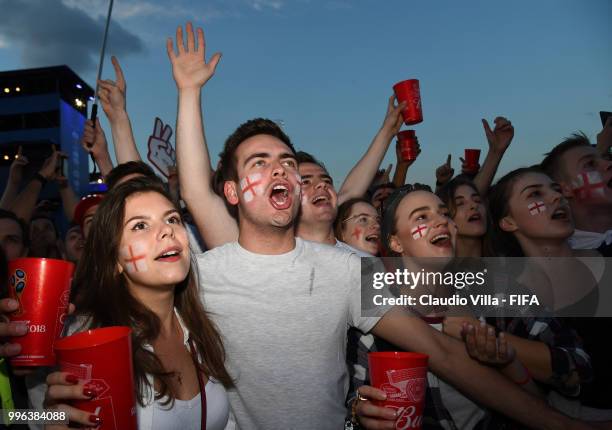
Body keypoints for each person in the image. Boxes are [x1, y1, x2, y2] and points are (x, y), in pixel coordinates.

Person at [169, 22, 590, 430]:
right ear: (231, 192)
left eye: (288, 163)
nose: (279, 170)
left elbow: (442, 354)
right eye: (260, 163)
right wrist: (189, 93)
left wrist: (563, 425)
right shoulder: (203, 275)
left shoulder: (347, 270)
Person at [42, 177, 234, 429]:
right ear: (115, 261)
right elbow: (16, 416)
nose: (167, 230)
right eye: (140, 225)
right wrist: (51, 417)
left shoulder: (203, 329)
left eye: (172, 219)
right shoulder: (90, 339)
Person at [488, 166, 612, 422]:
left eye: (556, 190)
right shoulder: (509, 303)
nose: (556, 198)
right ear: (508, 222)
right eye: (535, 194)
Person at [540, 131, 612, 256]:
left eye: (607, 158)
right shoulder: (560, 263)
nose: (609, 164)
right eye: (590, 164)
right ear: (566, 189)